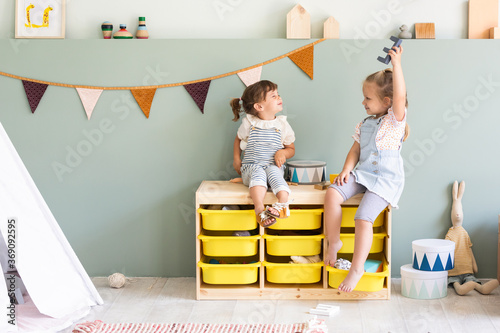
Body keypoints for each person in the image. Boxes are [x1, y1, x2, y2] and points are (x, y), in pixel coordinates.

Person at [324, 45, 408, 292]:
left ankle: (357, 268)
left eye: (367, 98)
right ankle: (334, 242)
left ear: (386, 101)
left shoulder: (395, 121)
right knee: (331, 193)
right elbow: (355, 150)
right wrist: (346, 170)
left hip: (385, 179)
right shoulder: (365, 123)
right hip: (363, 174)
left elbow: (401, 96)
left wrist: (397, 65)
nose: (363, 102)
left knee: (363, 218)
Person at [231, 80, 295, 228]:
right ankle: (259, 209)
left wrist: (283, 152)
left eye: (278, 95)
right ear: (259, 106)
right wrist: (236, 159)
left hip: (272, 167)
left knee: (274, 172)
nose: (279, 98)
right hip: (251, 168)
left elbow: (291, 148)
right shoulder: (249, 123)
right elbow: (238, 139)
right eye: (274, 96)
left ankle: (283, 204)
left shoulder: (282, 125)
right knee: (258, 172)